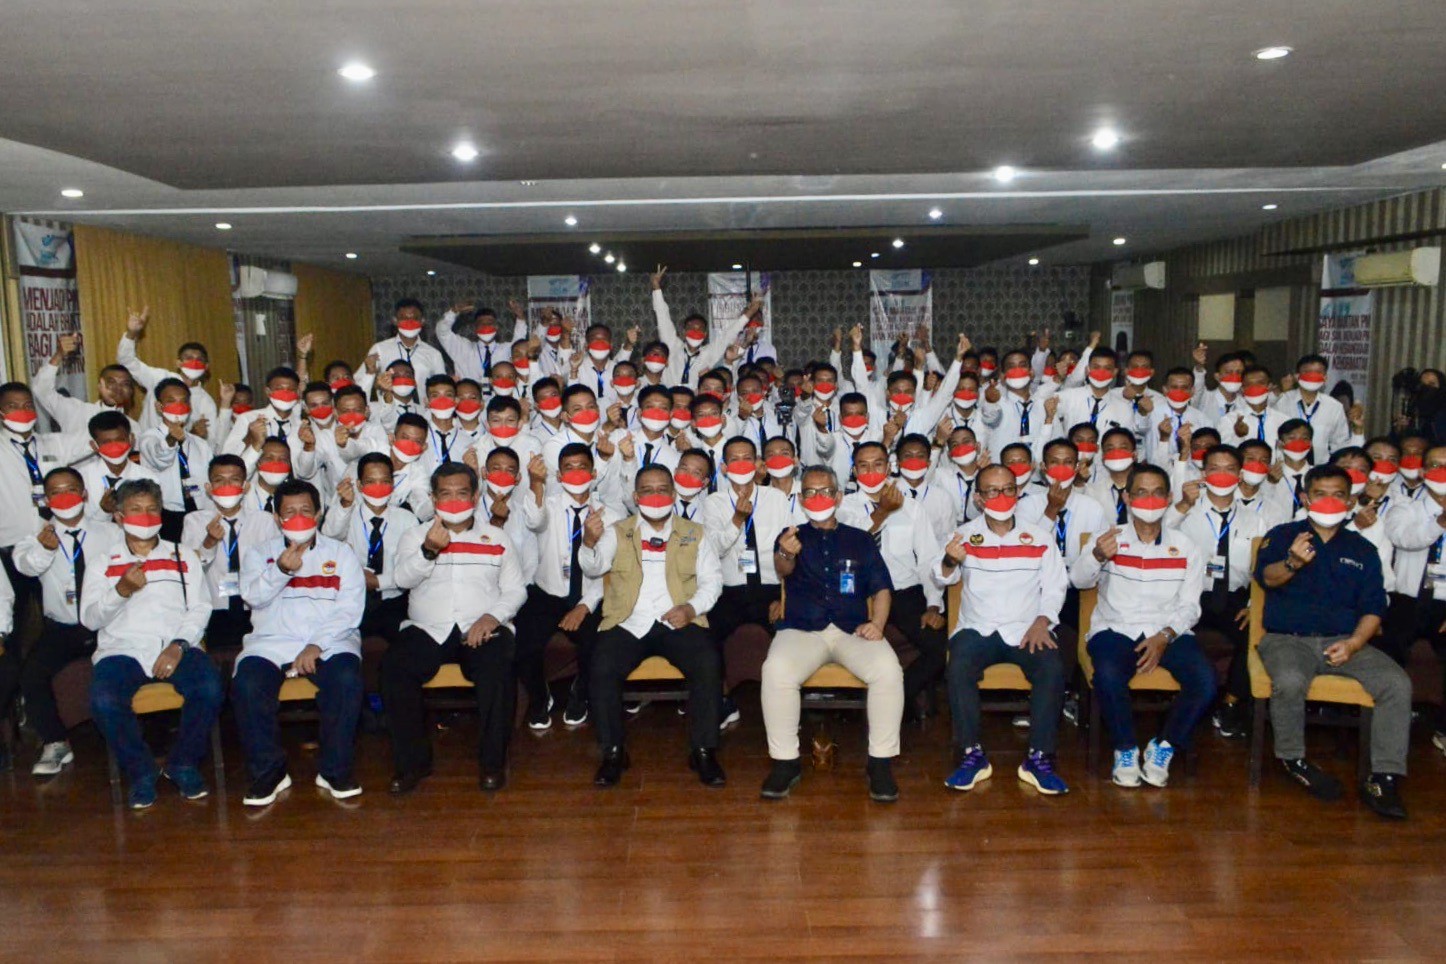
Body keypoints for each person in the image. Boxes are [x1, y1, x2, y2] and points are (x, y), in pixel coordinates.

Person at [1253, 465, 1410, 819]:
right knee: (1289, 680)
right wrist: (1292, 563)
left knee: (1396, 683)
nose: (1329, 501)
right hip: (1287, 640)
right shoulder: (1283, 535)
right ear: (1305, 498)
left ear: (1351, 501)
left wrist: (1354, 644)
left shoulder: (1363, 549)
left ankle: (1384, 777)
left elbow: (1374, 608)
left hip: (1344, 640)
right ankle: (1293, 759)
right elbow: (1266, 578)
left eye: (1338, 495)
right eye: (1320, 494)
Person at [759, 464, 902, 803]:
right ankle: (785, 762)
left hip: (853, 630)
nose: (817, 497)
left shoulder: (860, 539)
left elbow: (881, 588)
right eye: (809, 492)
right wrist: (785, 552)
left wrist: (878, 624)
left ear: (838, 497)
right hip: (802, 630)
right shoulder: (790, 536)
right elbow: (782, 569)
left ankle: (880, 763)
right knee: (775, 670)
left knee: (888, 671)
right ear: (800, 498)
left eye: (825, 491)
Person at [581, 464, 726, 788]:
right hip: (628, 620)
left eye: (662, 489)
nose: (655, 496)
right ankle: (613, 751)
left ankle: (703, 750)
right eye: (647, 490)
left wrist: (691, 608)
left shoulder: (695, 532)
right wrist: (589, 542)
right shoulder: (617, 531)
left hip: (679, 618)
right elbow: (593, 568)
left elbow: (713, 581)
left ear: (674, 494)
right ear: (635, 497)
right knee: (601, 665)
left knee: (708, 662)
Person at [1071, 463, 1213, 788]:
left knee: (1205, 681)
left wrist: (1165, 636)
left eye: (1157, 493)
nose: (1150, 500)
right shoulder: (1108, 538)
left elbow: (1191, 606)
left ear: (1169, 498)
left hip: (1168, 631)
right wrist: (1097, 555)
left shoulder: (1186, 546)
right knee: (1108, 675)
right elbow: (1078, 581)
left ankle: (1164, 746)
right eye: (1141, 492)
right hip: (1115, 628)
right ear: (1127, 497)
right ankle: (1125, 749)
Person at [386, 463, 526, 794]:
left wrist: (492, 617)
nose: (453, 500)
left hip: (482, 627)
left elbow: (516, 590)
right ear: (433, 498)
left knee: (497, 669)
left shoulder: (497, 537)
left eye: (461, 493)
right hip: (427, 628)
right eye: (445, 494)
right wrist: (428, 551)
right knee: (395, 669)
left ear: (475, 497)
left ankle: (493, 763)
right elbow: (401, 579)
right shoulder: (415, 536)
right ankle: (413, 763)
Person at [81, 479, 220, 810]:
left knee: (210, 688)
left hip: (176, 645)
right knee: (103, 700)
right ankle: (141, 770)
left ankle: (183, 763)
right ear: (119, 516)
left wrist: (178, 645)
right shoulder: (102, 562)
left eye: (152, 509)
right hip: (122, 650)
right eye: (135, 509)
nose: (144, 516)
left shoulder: (182, 555)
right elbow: (89, 619)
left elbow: (200, 607)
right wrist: (121, 591)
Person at [935, 463, 1070, 796]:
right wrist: (950, 560)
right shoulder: (963, 535)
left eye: (1008, 489)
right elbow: (943, 577)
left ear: (1018, 492)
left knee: (1052, 667)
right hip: (977, 627)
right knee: (958, 666)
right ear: (979, 498)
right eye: (992, 491)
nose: (1001, 496)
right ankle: (971, 755)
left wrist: (1043, 621)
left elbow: (1055, 586)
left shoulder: (1039, 537)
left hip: (1027, 628)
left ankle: (1039, 758)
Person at [234, 480, 366, 805]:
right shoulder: (259, 554)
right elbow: (252, 598)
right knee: (247, 685)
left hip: (330, 641)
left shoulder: (341, 553)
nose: (298, 518)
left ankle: (334, 770)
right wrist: (280, 570)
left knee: (346, 680)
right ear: (277, 518)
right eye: (289, 512)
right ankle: (269, 772)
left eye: (305, 510)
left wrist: (316, 644)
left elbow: (350, 609)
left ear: (318, 514)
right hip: (272, 641)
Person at [6, 468, 118, 776]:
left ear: (84, 494)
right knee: (31, 674)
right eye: (56, 492)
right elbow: (26, 567)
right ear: (46, 499)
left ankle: (139, 735)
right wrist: (45, 550)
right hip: (63, 628)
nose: (65, 496)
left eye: (71, 489)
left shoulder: (110, 533)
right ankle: (55, 742)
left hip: (108, 623)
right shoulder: (34, 539)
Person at [517, 443, 622, 729]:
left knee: (599, 643)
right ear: (559, 476)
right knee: (523, 642)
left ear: (594, 473)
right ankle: (540, 698)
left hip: (590, 595)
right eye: (568, 468)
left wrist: (584, 606)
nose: (576, 473)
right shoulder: (547, 505)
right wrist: (536, 483)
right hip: (547, 592)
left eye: (582, 467)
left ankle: (581, 693)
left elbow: (609, 570)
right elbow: (534, 520)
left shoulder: (611, 516)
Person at [702, 436, 791, 728]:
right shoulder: (713, 503)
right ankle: (721, 701)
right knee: (705, 636)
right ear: (724, 468)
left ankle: (787, 708)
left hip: (771, 588)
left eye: (747, 458)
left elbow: (790, 549)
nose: (741, 464)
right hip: (731, 590)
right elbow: (714, 549)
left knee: (792, 633)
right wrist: (737, 520)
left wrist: (784, 596)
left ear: (758, 464)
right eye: (734, 459)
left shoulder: (776, 499)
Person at [1382, 444, 1446, 752]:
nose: (1441, 472)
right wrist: (1440, 522)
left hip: (1444, 603)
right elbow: (1405, 539)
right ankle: (1388, 724)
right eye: (1435, 465)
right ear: (1422, 472)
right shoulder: (1404, 507)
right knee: (1390, 648)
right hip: (1407, 600)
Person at [181, 455, 278, 656]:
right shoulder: (194, 521)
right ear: (209, 488)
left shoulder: (264, 521)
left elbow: (274, 567)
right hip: (215, 609)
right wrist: (208, 543)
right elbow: (189, 571)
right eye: (219, 480)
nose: (227, 486)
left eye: (234, 480)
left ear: (245, 486)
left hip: (256, 608)